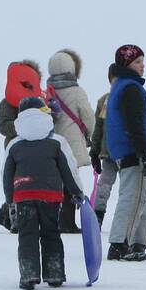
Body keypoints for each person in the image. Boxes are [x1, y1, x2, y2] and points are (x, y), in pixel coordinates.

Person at [2, 97, 84, 290]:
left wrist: (9, 199)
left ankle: (29, 275)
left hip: (23, 195)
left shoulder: (14, 144)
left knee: (27, 235)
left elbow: (6, 173)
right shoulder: (57, 142)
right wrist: (76, 192)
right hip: (50, 196)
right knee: (51, 233)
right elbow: (69, 169)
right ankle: (54, 274)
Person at [105, 44, 146, 262]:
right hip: (131, 151)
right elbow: (134, 123)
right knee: (132, 198)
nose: (142, 66)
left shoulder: (119, 86)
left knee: (143, 199)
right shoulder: (130, 88)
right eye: (137, 61)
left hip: (122, 150)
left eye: (142, 61)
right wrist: (144, 153)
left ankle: (138, 242)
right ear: (126, 64)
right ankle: (119, 244)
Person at [46, 49, 95, 233]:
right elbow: (88, 116)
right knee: (70, 181)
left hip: (53, 143)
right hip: (72, 144)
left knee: (57, 182)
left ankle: (57, 219)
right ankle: (67, 222)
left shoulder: (48, 91)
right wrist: (91, 134)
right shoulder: (76, 91)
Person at [0, 60, 43, 231]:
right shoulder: (7, 103)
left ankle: (9, 213)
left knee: (31, 181)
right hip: (15, 146)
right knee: (15, 179)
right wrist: (22, 126)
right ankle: (13, 213)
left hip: (34, 147)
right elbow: (3, 126)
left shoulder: (40, 100)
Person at [88, 63, 119, 227]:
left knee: (107, 185)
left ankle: (103, 216)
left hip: (115, 151)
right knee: (105, 185)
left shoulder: (106, 100)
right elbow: (98, 127)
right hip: (109, 153)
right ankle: (98, 215)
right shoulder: (104, 100)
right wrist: (94, 151)